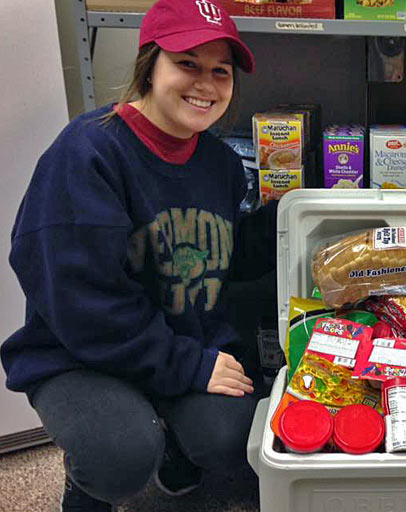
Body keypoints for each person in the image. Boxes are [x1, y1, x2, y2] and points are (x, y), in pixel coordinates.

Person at [0, 0, 270, 510]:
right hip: (78, 354)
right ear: (150, 64)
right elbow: (83, 310)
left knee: (234, 435)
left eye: (221, 71)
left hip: (175, 338)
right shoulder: (85, 155)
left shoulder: (219, 164)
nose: (206, 85)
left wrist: (301, 220)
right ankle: (86, 486)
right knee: (119, 455)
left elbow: (226, 256)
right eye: (187, 63)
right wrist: (185, 365)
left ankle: (174, 445)